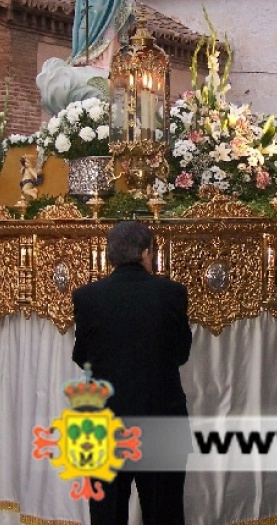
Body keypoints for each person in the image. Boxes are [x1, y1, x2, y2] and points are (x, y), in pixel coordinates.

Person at [72, 221, 192, 525]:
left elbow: (81, 357)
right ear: (145, 253)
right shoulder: (172, 293)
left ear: (111, 254)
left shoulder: (87, 297)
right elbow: (181, 353)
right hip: (161, 417)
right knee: (164, 512)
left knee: (106, 514)